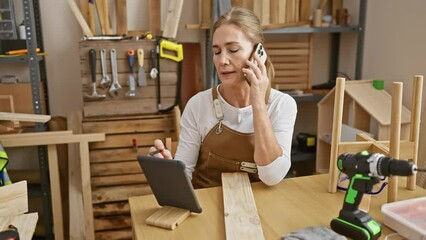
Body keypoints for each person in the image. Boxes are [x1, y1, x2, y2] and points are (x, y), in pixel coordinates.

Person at [149, 7, 297, 189]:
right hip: (206, 208)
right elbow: (183, 175)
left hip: (261, 210)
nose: (222, 60)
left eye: (233, 49)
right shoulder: (198, 105)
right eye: (217, 52)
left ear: (257, 53)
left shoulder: (282, 105)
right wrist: (167, 173)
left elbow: (272, 176)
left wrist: (257, 100)